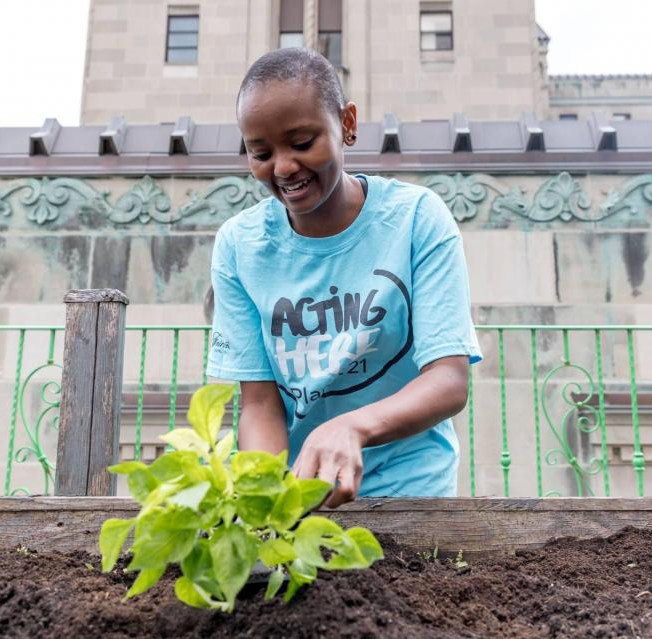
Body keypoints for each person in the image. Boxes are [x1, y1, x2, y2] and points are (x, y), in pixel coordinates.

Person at [206, 47, 481, 507]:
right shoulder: (239, 245)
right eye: (261, 152)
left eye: (302, 142)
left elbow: (448, 381)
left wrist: (352, 426)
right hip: (302, 493)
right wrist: (269, 500)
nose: (283, 167)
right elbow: (258, 403)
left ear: (347, 124)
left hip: (408, 492)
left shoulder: (416, 218)